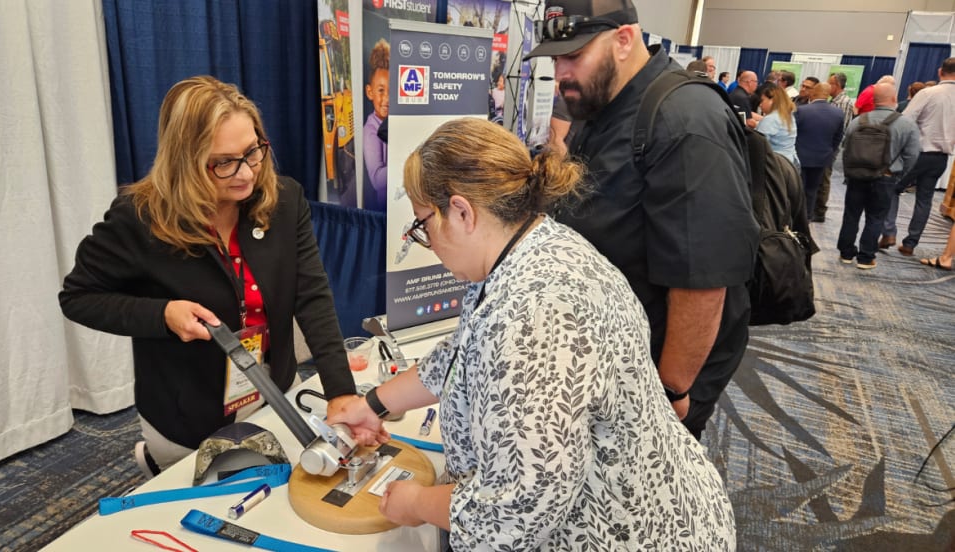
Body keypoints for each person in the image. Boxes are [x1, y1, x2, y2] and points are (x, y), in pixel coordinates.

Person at [328, 117, 737, 550]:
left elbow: (516, 510)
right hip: (658, 502)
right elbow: (460, 355)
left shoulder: (530, 316)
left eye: (424, 225)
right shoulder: (535, 247)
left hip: (628, 532)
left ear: (463, 211)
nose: (426, 239)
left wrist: (415, 503)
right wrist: (373, 404)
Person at [59, 76, 360, 474]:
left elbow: (312, 296)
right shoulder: (139, 218)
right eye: (223, 162)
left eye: (252, 152)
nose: (246, 173)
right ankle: (153, 462)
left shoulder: (284, 200)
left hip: (271, 391)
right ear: (185, 160)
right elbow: (78, 297)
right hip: (186, 415)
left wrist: (340, 391)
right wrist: (162, 315)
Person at [525, 0, 759, 439]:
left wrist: (668, 391)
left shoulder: (685, 121)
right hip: (612, 348)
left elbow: (703, 283)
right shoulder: (605, 104)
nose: (561, 73)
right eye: (556, 58)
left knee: (643, 487)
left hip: (661, 367)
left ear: (624, 40)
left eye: (574, 56)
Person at [836, 83, 920, 269]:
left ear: (873, 100)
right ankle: (866, 258)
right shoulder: (906, 124)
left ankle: (846, 253)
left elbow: (846, 148)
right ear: (893, 99)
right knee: (875, 218)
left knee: (851, 215)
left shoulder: (858, 121)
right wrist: (901, 177)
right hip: (885, 178)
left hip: (856, 177)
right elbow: (913, 155)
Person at [883, 57, 955, 257]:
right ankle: (910, 244)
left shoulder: (928, 93)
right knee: (925, 200)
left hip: (918, 153)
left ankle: (889, 232)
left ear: (940, 72)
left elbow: (905, 121)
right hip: (941, 157)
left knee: (892, 188)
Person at [795, 82, 845, 220]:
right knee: (812, 190)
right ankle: (808, 217)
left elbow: (793, 133)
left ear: (813, 92)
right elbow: (838, 137)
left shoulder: (802, 111)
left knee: (798, 189)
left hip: (801, 157)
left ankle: (795, 217)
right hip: (822, 158)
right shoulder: (838, 113)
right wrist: (829, 151)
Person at [812, 71, 856, 223]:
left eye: (829, 83)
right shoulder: (835, 101)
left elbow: (840, 129)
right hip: (825, 146)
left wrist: (831, 149)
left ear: (836, 85)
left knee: (824, 179)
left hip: (829, 147)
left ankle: (819, 210)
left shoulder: (843, 102)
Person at [364, 38, 390, 211]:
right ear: (370, 92)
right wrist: (409, 159)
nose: (387, 99)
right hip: (384, 212)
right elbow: (377, 180)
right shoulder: (371, 130)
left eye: (391, 90)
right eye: (381, 90)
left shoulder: (395, 122)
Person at [756, 82, 800, 167]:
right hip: (790, 161)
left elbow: (758, 145)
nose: (760, 105)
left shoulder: (770, 119)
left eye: (762, 100)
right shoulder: (788, 115)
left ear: (772, 100)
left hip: (776, 164)